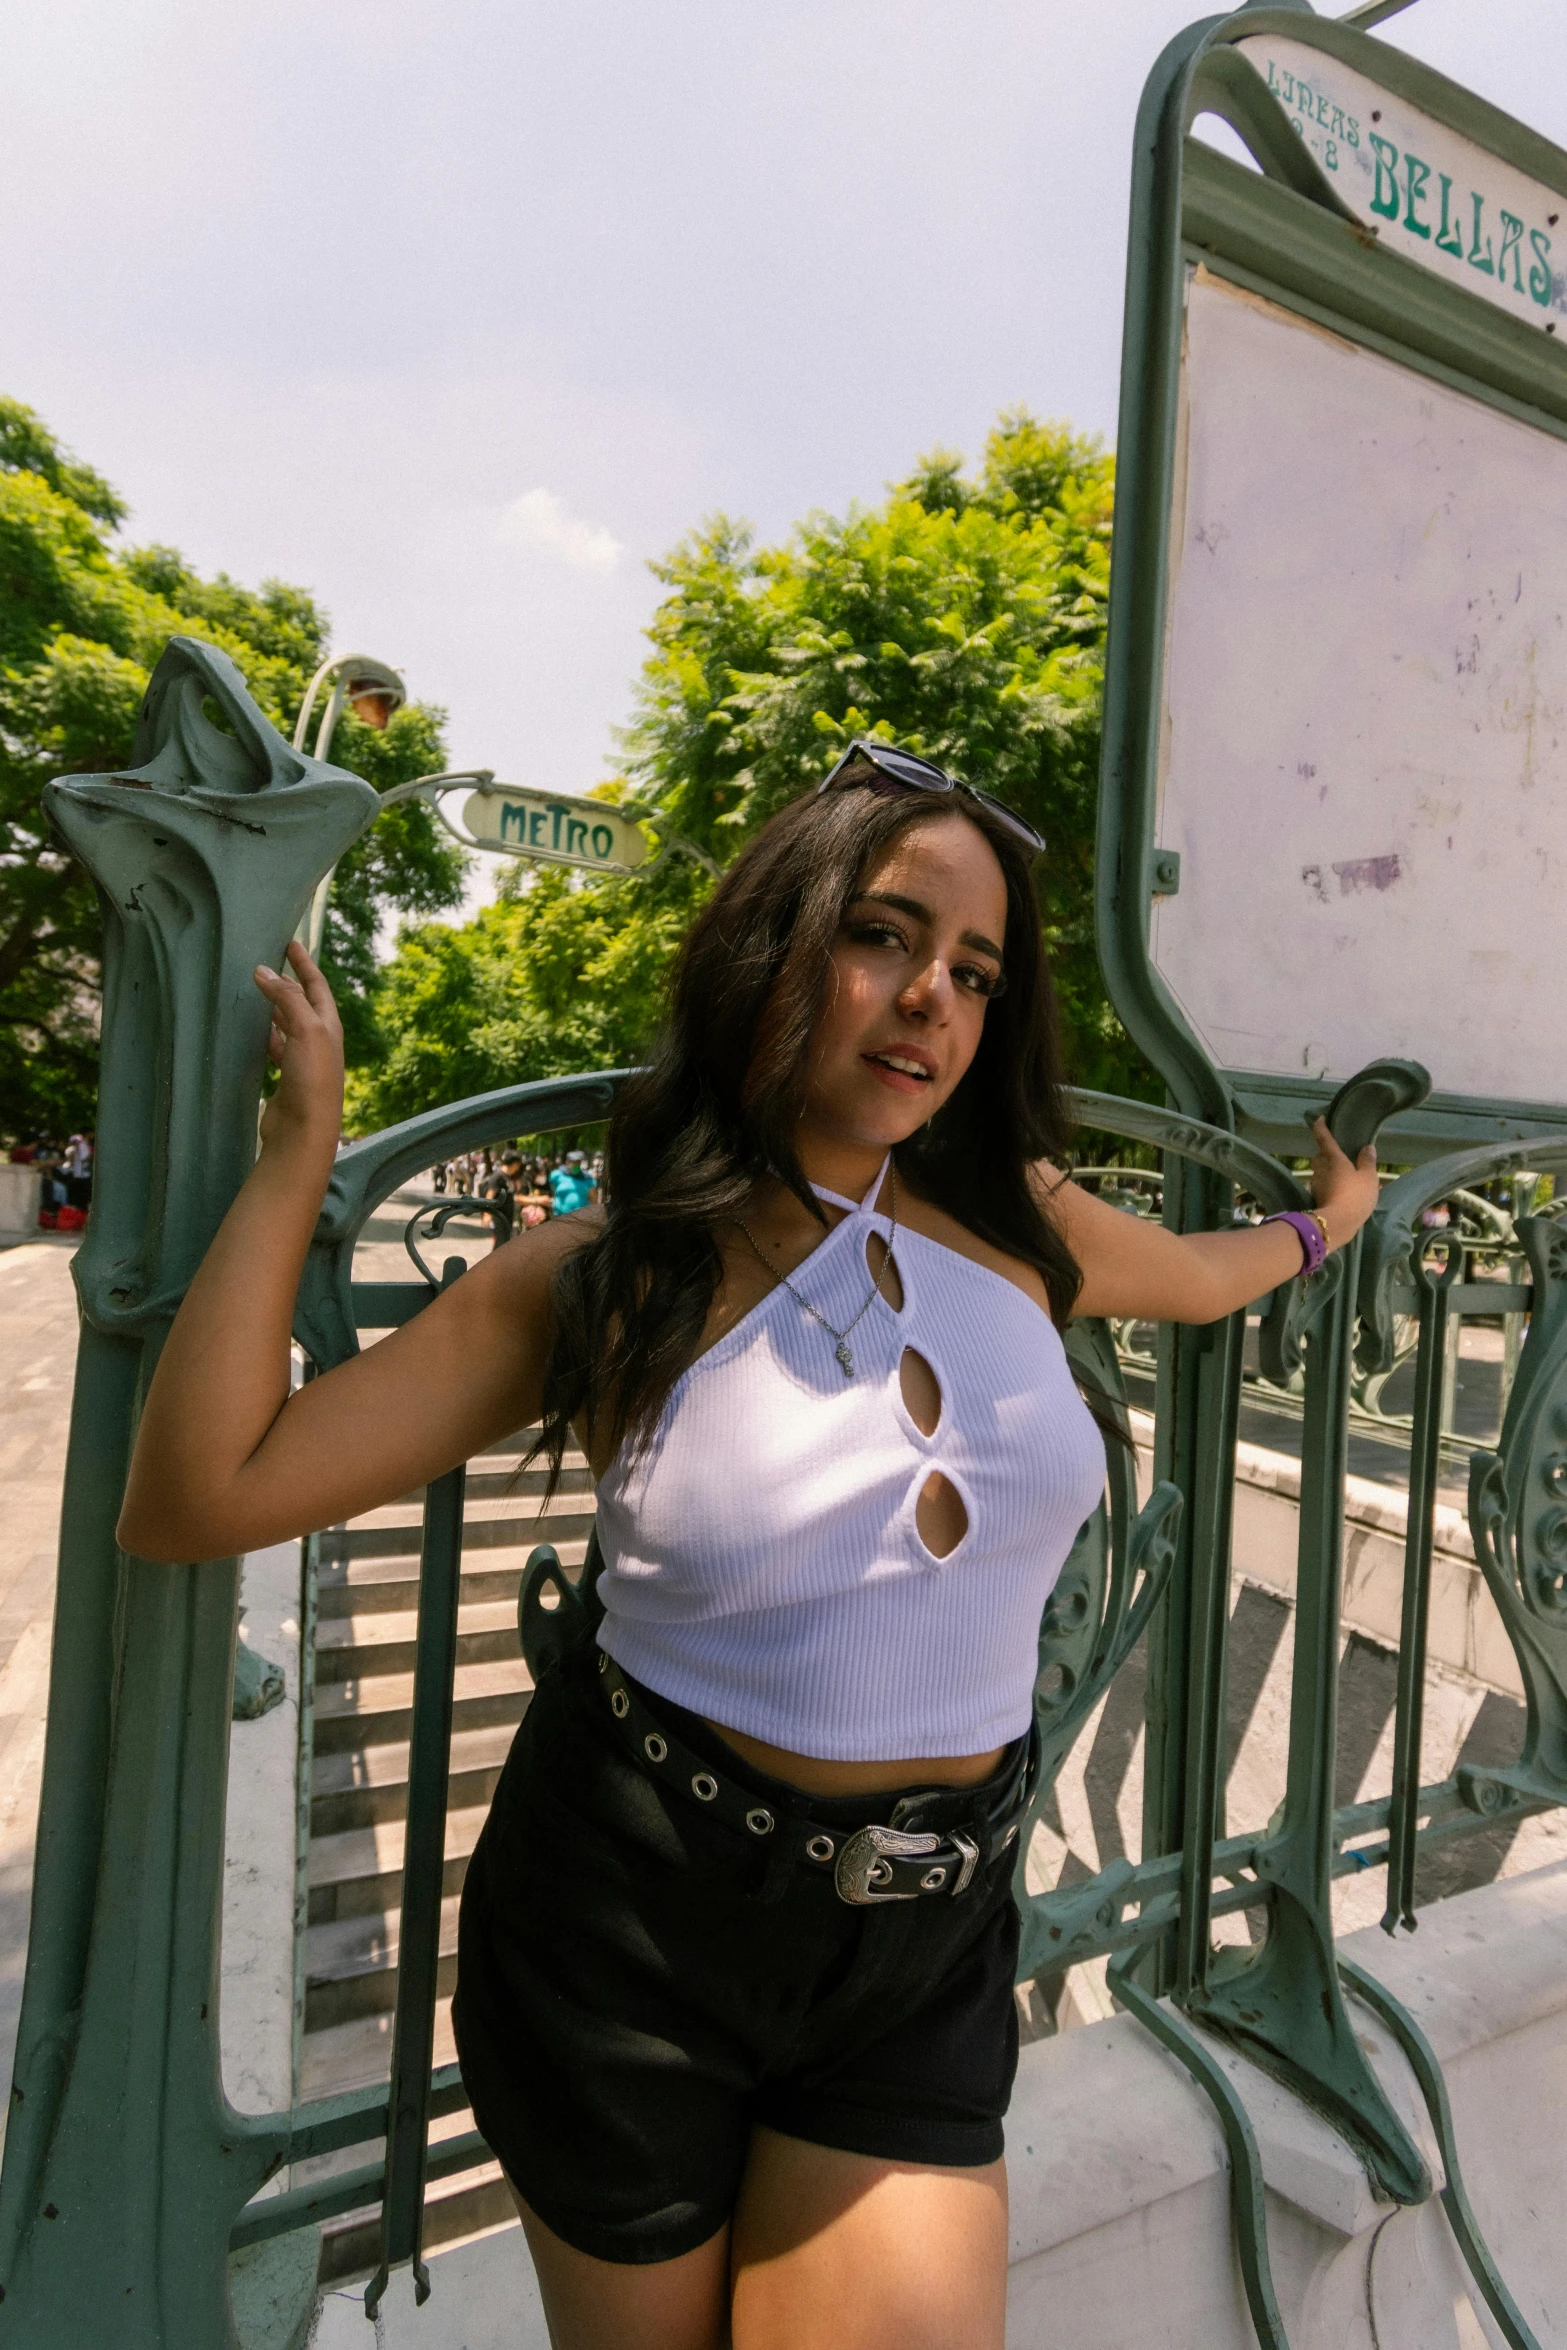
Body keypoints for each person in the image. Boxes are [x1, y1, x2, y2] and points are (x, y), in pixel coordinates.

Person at [116, 739, 1377, 2350]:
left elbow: (1202, 1278)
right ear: (774, 944)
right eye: (881, 933)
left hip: (924, 1931)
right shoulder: (607, 1276)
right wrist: (297, 1156)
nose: (930, 994)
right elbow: (199, 1496)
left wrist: (1324, 1221)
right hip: (633, 1931)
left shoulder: (1020, 1226)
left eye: (973, 971)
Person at [548, 1149, 598, 1215]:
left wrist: (595, 1214)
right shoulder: (556, 1175)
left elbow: (593, 1197)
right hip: (560, 1217)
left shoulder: (587, 1178)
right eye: (574, 1162)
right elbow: (551, 1191)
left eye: (578, 1162)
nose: (576, 1165)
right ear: (567, 1162)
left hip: (581, 1217)